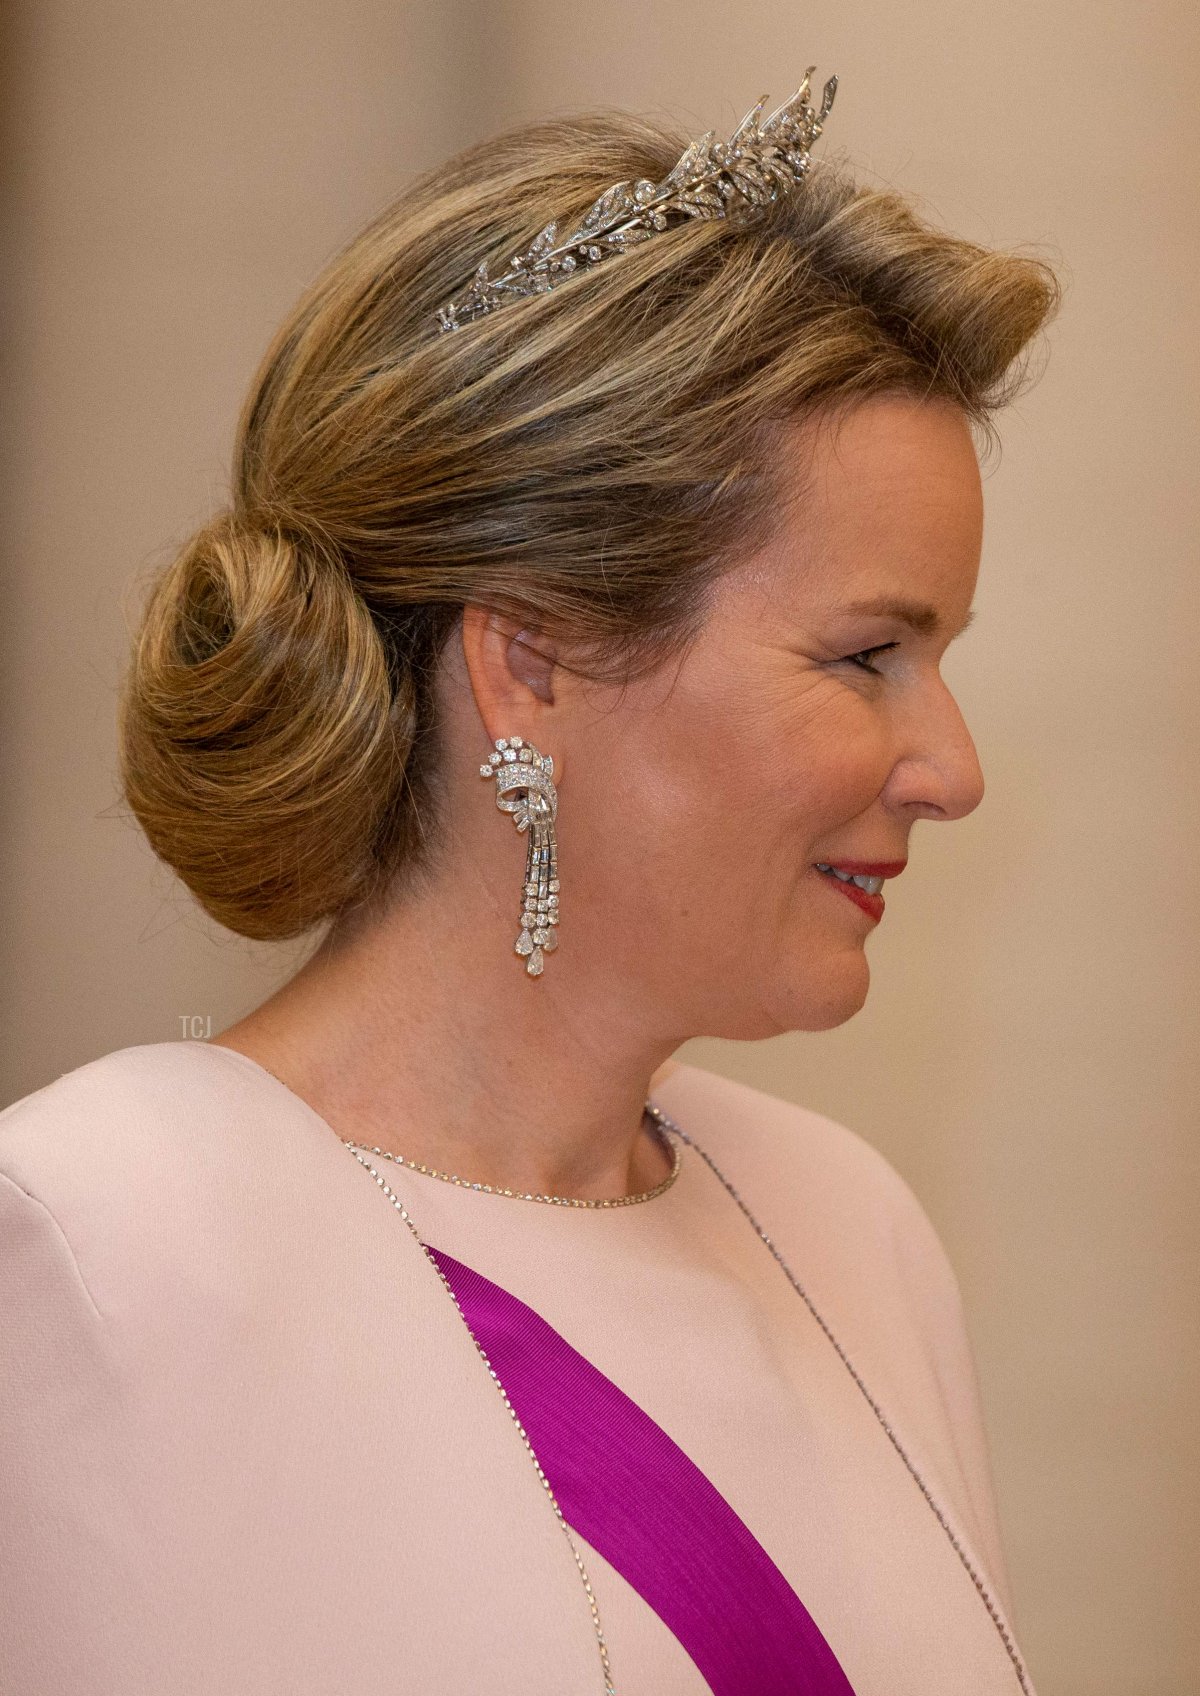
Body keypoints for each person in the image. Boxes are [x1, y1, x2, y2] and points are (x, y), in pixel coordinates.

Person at [0, 73, 1060, 1696]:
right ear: (532, 662)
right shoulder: (102, 1239)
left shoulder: (851, 1226)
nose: (953, 767)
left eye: (941, 659)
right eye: (867, 657)